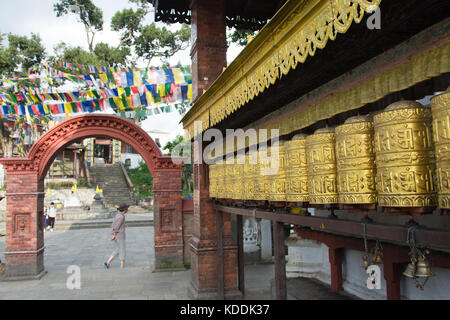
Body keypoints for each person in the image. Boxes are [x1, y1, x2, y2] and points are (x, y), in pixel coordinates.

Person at [104, 204, 129, 269]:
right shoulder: (121, 217)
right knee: (122, 251)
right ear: (124, 210)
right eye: (127, 208)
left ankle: (108, 262)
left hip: (117, 235)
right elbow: (116, 226)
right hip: (120, 235)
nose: (127, 210)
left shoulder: (118, 215)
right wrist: (113, 234)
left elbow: (113, 225)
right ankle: (122, 268)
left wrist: (113, 233)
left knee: (117, 249)